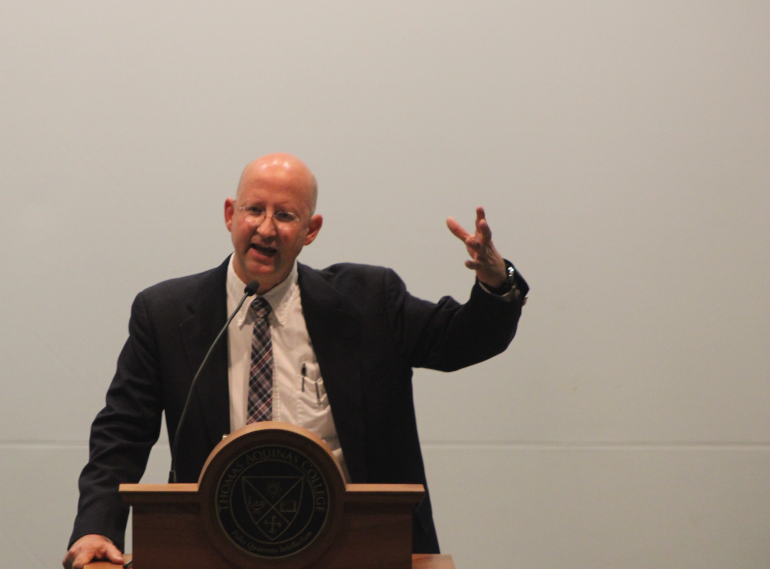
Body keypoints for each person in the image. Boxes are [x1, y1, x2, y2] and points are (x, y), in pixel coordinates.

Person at [63, 153, 528, 568]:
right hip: (217, 548)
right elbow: (120, 433)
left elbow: (465, 339)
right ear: (230, 214)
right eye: (254, 210)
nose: (266, 228)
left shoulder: (370, 302)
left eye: (285, 216)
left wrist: (496, 280)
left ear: (311, 230)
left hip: (359, 547)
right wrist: (96, 526)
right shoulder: (164, 314)